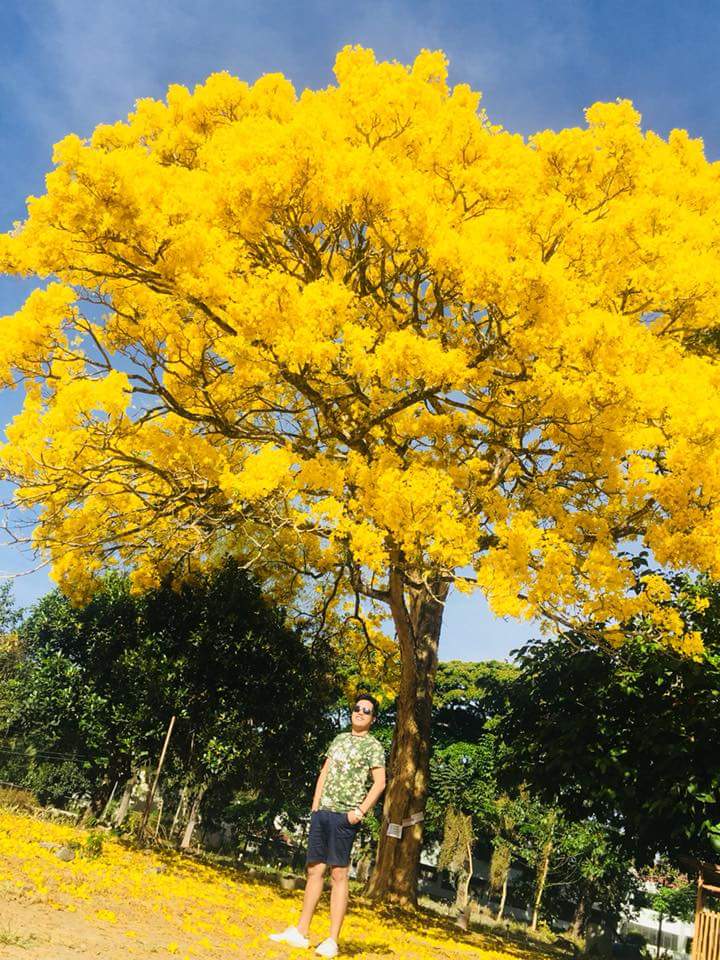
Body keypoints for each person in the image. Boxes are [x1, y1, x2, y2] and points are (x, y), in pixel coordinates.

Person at [269, 693, 386, 957]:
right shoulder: (339, 739)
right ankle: (301, 932)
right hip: (322, 813)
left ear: (373, 719)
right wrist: (315, 806)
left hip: (345, 817)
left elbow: (380, 783)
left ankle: (332, 941)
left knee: (339, 875)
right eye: (357, 708)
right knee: (314, 870)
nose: (360, 712)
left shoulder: (374, 746)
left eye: (366, 711)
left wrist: (359, 812)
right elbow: (324, 772)